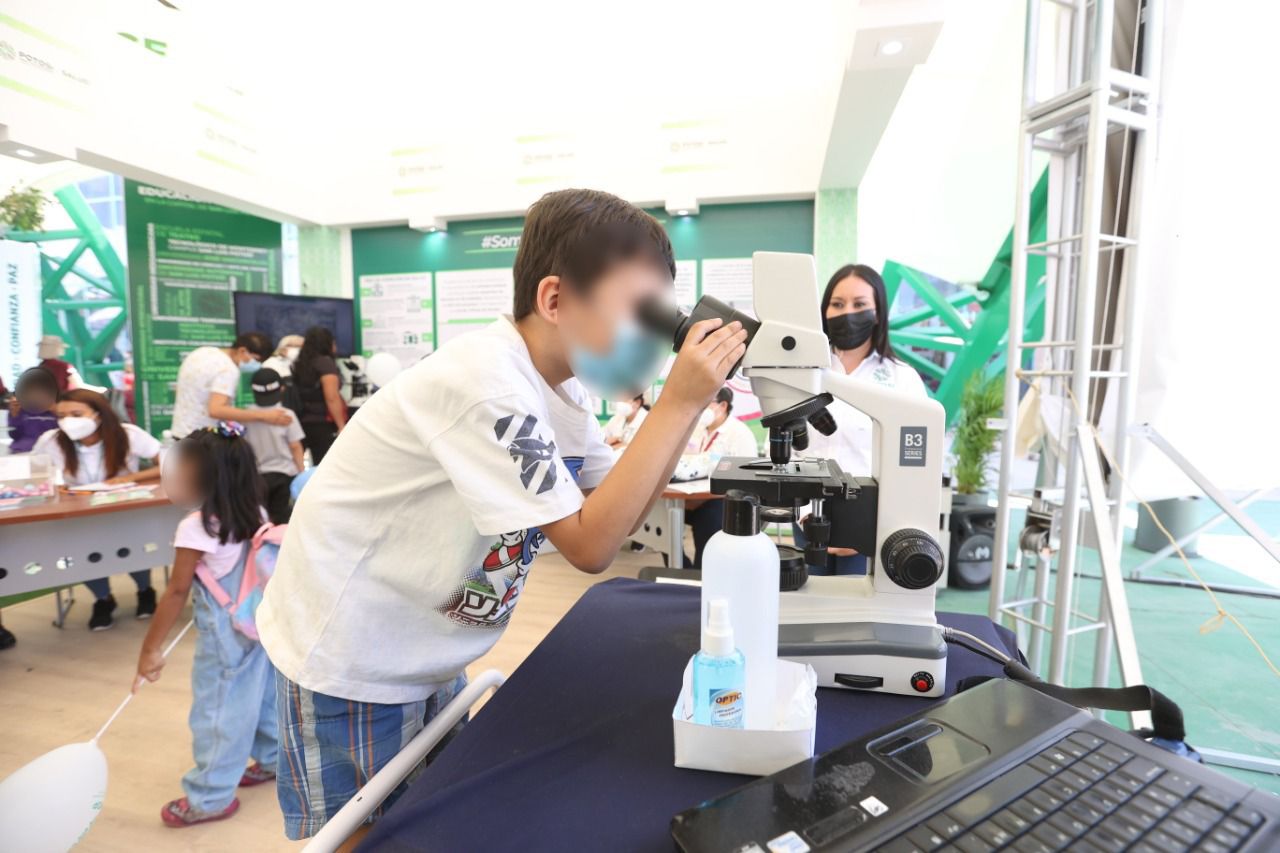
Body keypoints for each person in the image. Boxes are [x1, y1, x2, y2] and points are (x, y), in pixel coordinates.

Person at [255, 188, 746, 842]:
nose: (651, 336)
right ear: (555, 299)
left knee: (425, 824)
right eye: (640, 310)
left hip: (427, 644)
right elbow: (591, 544)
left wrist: (691, 404)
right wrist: (679, 401)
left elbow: (622, 505)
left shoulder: (561, 390)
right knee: (366, 836)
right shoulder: (488, 384)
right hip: (357, 656)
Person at [134, 424, 278, 827]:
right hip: (256, 620)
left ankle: (211, 797)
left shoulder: (196, 527)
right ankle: (273, 759)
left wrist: (150, 649)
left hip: (225, 636)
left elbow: (177, 591)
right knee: (260, 695)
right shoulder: (256, 512)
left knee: (218, 711)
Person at [797, 263, 928, 575]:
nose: (848, 313)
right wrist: (804, 514)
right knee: (806, 602)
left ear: (878, 313)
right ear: (824, 311)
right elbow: (789, 448)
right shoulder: (804, 371)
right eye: (837, 304)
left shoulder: (902, 379)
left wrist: (869, 522)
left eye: (859, 304)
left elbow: (914, 464)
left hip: (872, 525)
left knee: (859, 605)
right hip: (807, 519)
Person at [33, 389, 163, 628]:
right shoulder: (50, 441)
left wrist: (129, 478)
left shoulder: (128, 434)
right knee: (86, 554)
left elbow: (167, 463)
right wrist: (55, 487)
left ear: (98, 414)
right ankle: (103, 599)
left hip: (124, 511)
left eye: (76, 414)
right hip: (78, 514)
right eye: (62, 416)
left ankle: (145, 590)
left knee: (133, 548)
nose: (68, 421)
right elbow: (35, 477)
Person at [683, 386, 761, 568]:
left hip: (723, 499)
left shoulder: (739, 434)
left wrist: (702, 499)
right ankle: (681, 568)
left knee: (708, 519)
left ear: (723, 406)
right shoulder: (697, 429)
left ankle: (701, 572)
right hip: (691, 494)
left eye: (706, 403)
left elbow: (746, 481)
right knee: (663, 520)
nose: (700, 409)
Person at [170, 332, 292, 438]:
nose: (258, 365)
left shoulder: (202, 352)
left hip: (180, 431)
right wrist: (264, 416)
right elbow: (216, 410)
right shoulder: (228, 369)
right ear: (242, 351)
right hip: (202, 439)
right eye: (256, 360)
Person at [244, 368, 305, 524]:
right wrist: (301, 472)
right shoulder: (286, 415)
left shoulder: (246, 415)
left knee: (260, 519)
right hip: (285, 474)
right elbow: (295, 446)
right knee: (281, 519)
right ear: (282, 389)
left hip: (257, 476)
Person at [291, 326, 348, 464]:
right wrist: (341, 425)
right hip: (323, 422)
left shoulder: (300, 363)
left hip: (301, 420)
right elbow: (331, 397)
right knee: (325, 464)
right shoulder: (325, 363)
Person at [7, 366, 59, 453]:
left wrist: (58, 412)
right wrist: (14, 416)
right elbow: (14, 435)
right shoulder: (19, 408)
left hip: (53, 451)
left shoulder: (61, 406)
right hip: (23, 450)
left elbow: (69, 435)